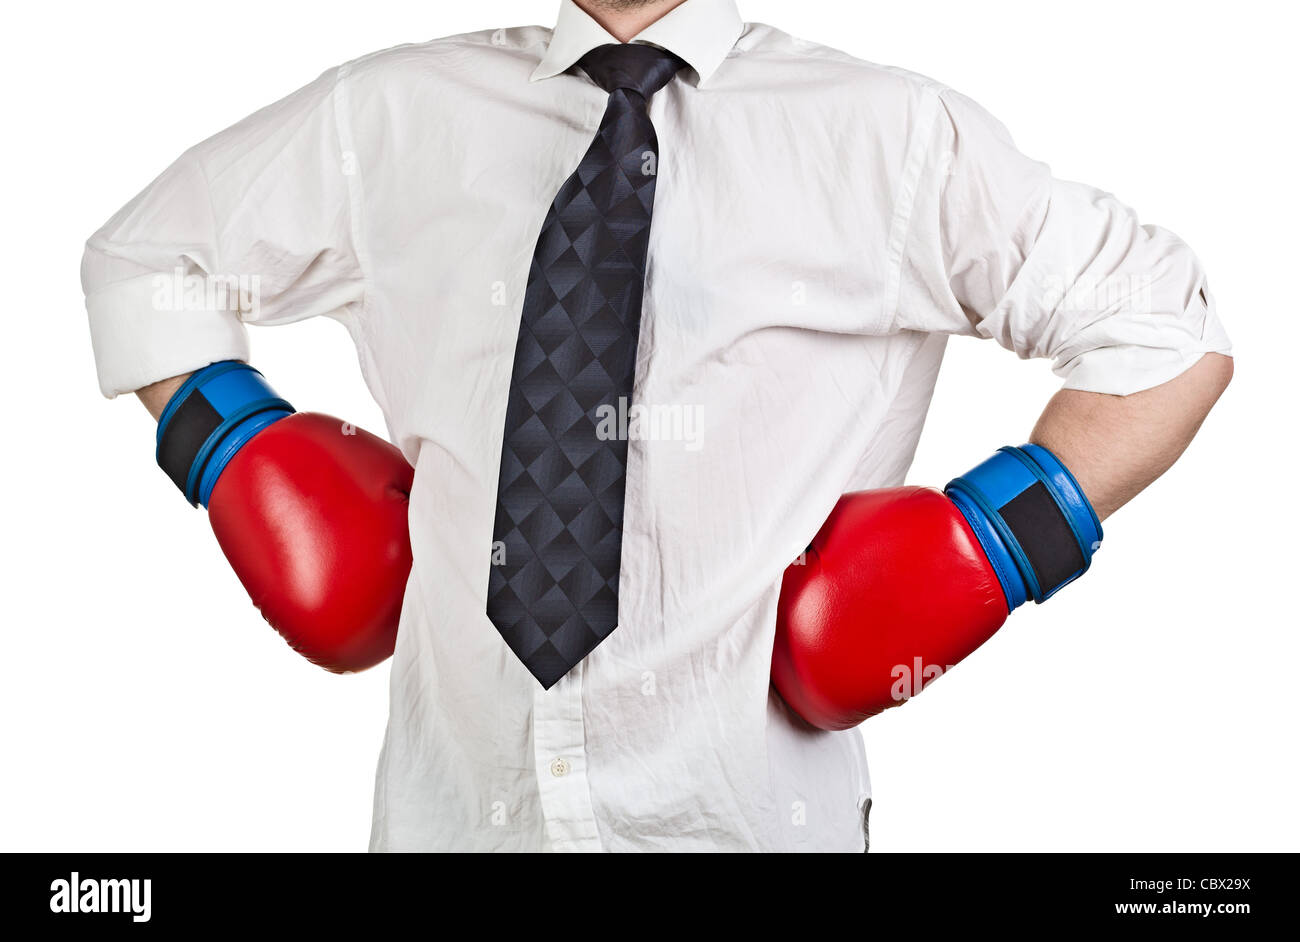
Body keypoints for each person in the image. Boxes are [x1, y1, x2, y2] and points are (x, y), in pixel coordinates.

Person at [80, 0, 1232, 852]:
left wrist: (992, 542)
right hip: (447, 823)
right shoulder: (387, 117)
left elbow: (1166, 332)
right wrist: (240, 456)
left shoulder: (885, 136)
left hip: (748, 823)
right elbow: (145, 262)